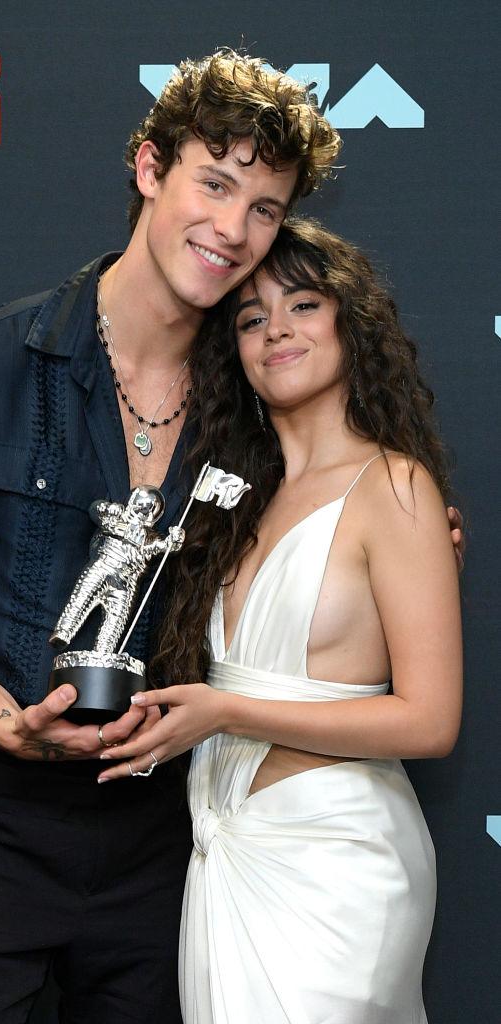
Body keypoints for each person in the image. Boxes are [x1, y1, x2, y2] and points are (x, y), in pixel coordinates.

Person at [0, 52, 344, 1024]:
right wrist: (1, 718)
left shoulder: (261, 390)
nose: (232, 230)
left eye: (264, 209)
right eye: (214, 182)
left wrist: (407, 525)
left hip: (172, 836)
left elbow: (351, 499)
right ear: (148, 168)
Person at [97, 219, 463, 1023]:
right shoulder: (230, 503)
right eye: (252, 318)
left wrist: (224, 710)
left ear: (349, 323)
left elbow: (430, 722)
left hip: (339, 864)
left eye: (303, 304)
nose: (278, 332)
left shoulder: (393, 486)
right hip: (222, 852)